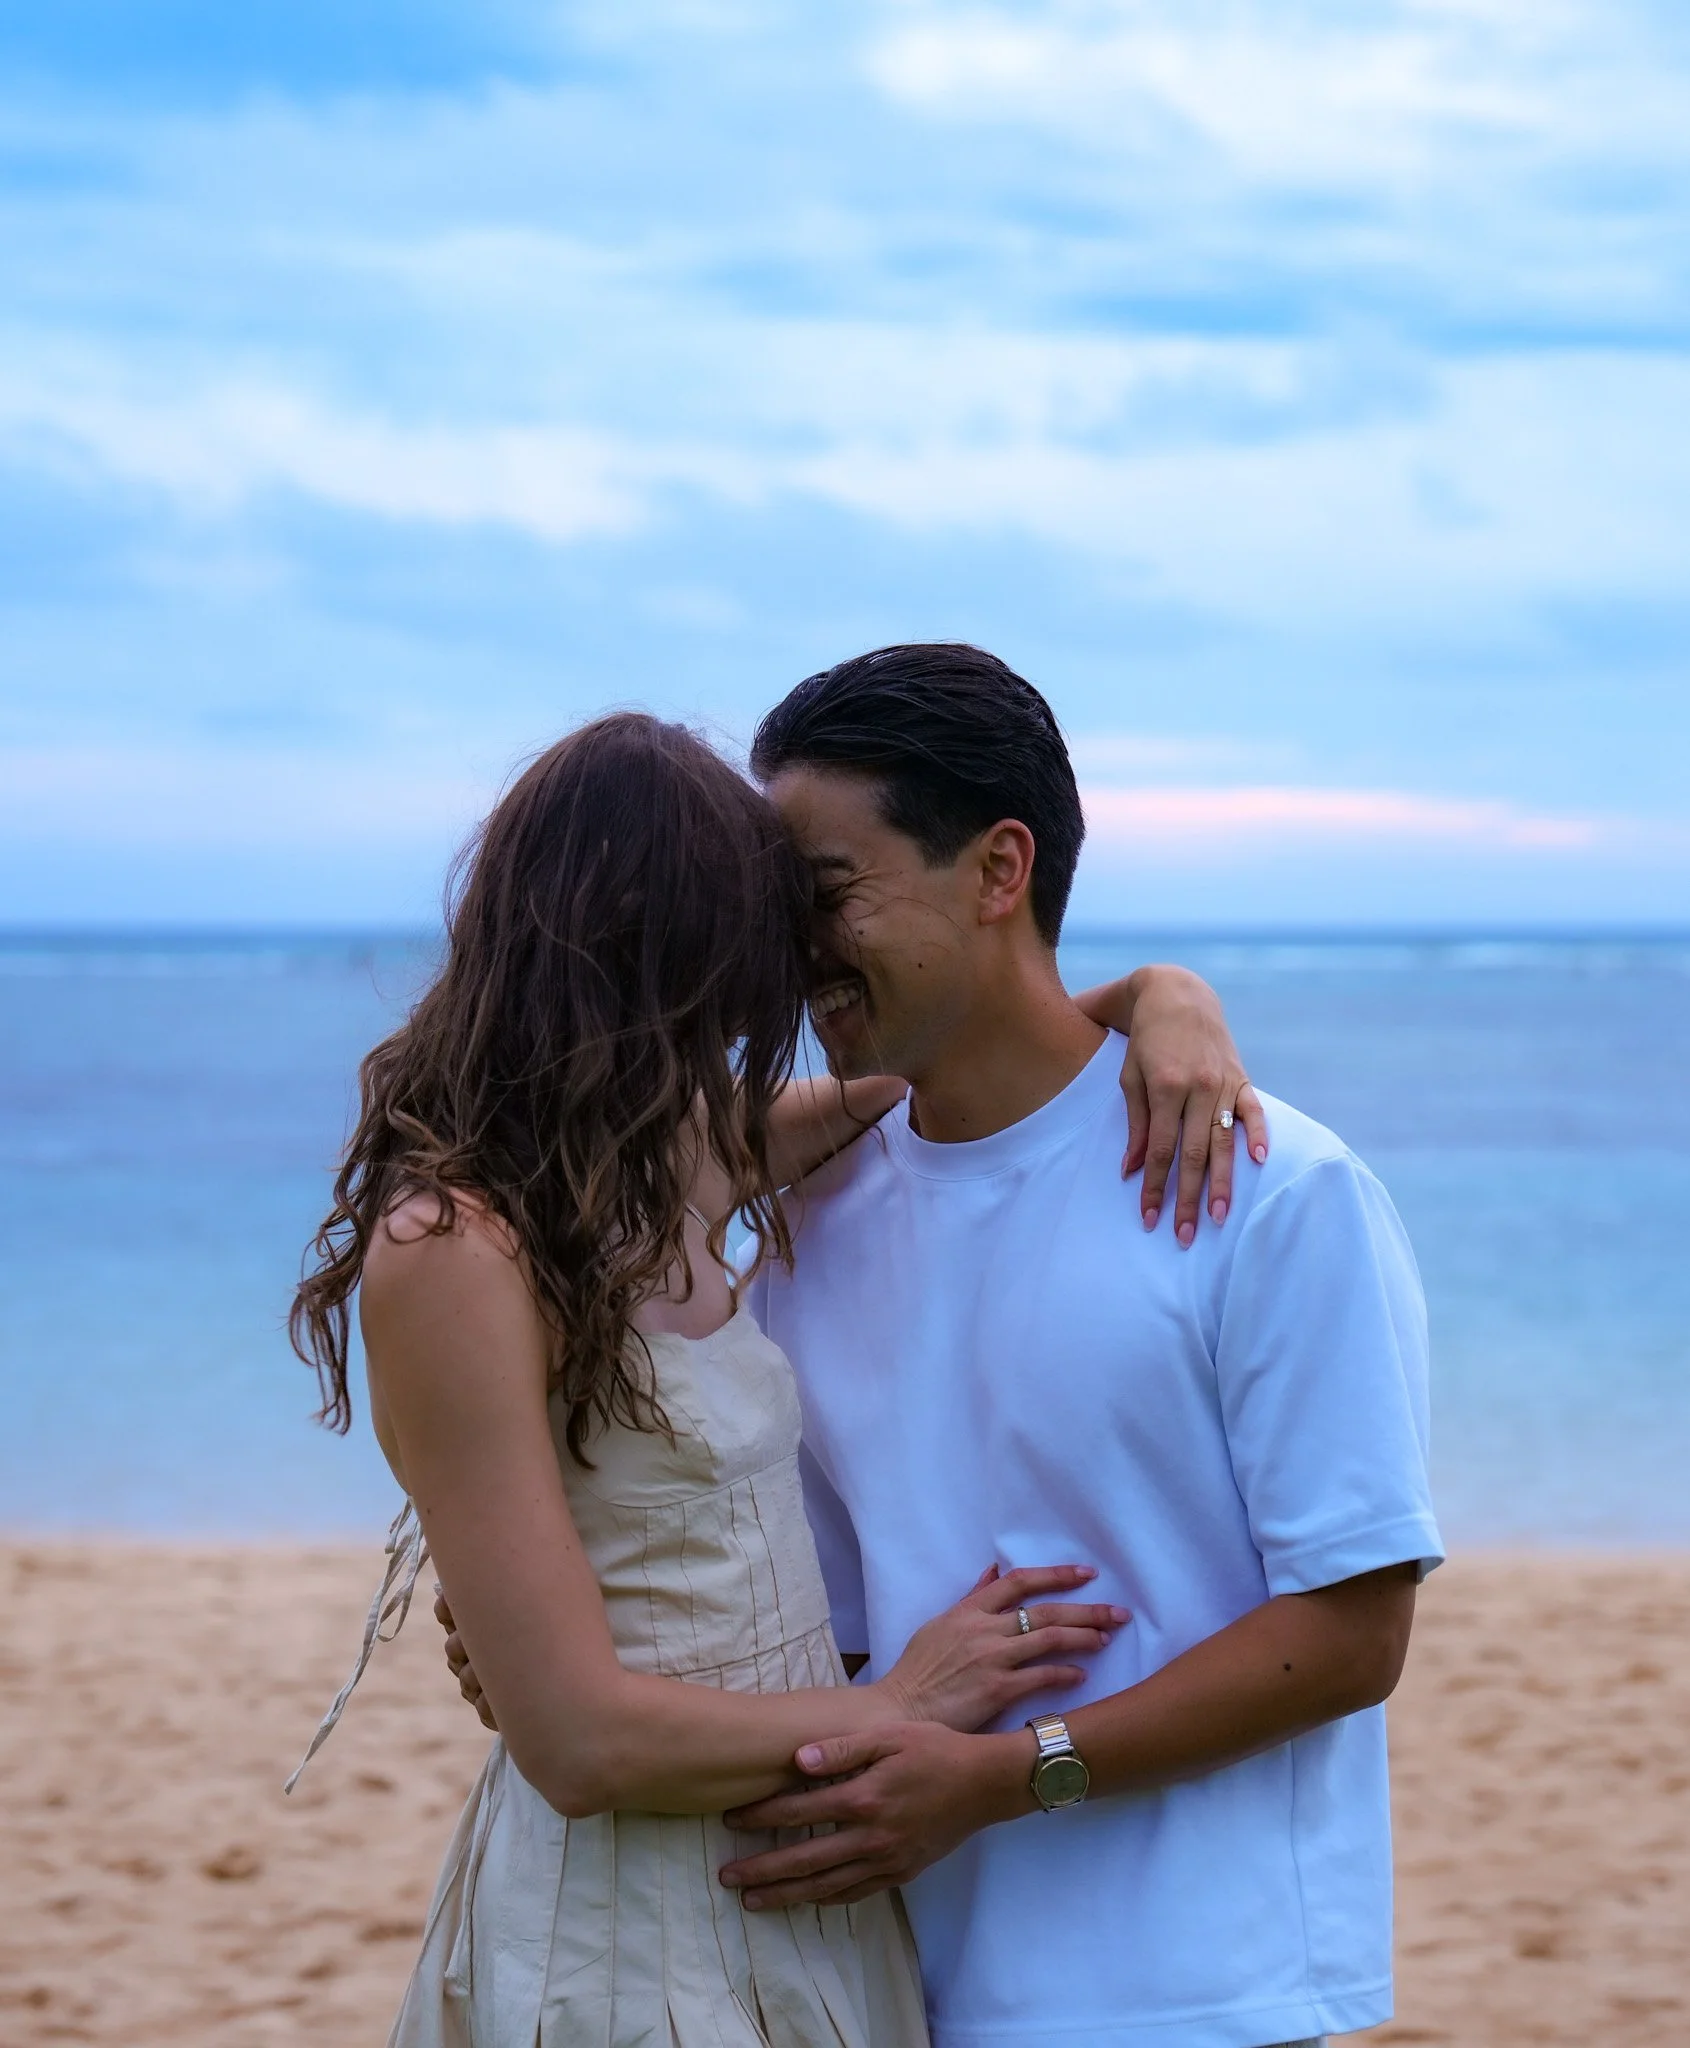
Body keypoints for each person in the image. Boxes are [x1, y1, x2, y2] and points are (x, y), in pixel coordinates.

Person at [289, 710, 1256, 2048]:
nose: (785, 970)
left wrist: (1161, 998)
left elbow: (955, 1071)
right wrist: (900, 1709)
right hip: (633, 1906)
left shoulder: (655, 1159)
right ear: (645, 943)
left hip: (812, 1877)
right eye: (749, 930)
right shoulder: (454, 1245)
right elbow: (573, 1742)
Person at [694, 644, 1445, 2048]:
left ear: (997, 870)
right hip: (880, 1984)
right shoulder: (810, 1212)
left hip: (1193, 1996)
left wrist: (1001, 1777)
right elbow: (822, 1622)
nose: (786, 946)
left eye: (827, 892)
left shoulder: (1276, 1190)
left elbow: (1351, 1633)